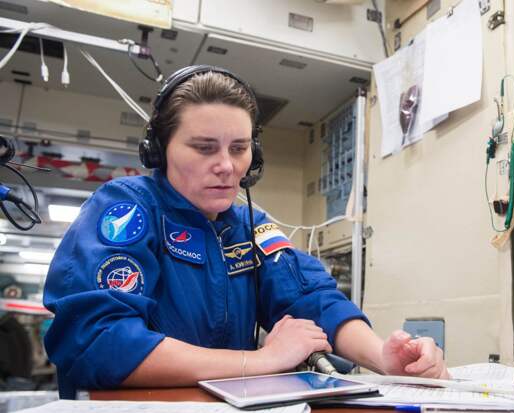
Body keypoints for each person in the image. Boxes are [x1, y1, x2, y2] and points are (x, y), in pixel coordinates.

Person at [43, 66, 448, 398]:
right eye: (204, 147)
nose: (226, 166)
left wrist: (383, 357)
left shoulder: (250, 225)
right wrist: (260, 361)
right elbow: (98, 342)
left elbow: (311, 297)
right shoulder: (126, 209)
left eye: (238, 148)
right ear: (160, 150)